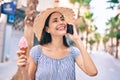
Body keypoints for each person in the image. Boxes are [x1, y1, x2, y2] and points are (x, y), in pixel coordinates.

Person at [16, 7, 98, 80]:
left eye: (62, 19)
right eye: (55, 20)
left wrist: (77, 40)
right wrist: (24, 70)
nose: (61, 22)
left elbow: (93, 72)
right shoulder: (37, 52)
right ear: (47, 29)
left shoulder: (73, 52)